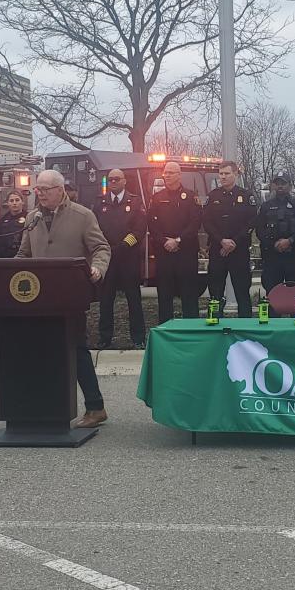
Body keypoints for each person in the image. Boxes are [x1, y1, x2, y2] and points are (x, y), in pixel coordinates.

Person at [18, 169, 112, 429]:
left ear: (60, 190)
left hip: (70, 296)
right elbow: (23, 254)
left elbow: (101, 247)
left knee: (77, 350)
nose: (41, 194)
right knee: (43, 352)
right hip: (37, 298)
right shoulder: (32, 218)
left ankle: (95, 407)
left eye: (46, 189)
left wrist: (98, 268)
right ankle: (46, 407)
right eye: (38, 189)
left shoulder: (82, 216)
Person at [95, 169, 146, 348]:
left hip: (128, 258)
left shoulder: (136, 201)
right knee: (106, 300)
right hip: (107, 258)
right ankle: (104, 337)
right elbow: (94, 229)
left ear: (125, 181)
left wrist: (123, 246)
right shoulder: (100, 203)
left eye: (117, 179)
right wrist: (106, 247)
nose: (113, 182)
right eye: (110, 179)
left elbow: (139, 230)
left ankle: (138, 337)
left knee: (134, 299)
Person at [148, 161, 202, 322]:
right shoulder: (157, 198)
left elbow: (195, 223)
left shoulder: (191, 197)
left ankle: (192, 329)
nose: (167, 175)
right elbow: (152, 224)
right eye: (165, 172)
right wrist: (165, 241)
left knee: (189, 294)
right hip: (164, 254)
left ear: (179, 175)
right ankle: (166, 329)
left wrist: (178, 240)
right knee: (164, 295)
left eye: (171, 172)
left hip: (186, 253)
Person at [204, 160, 257, 318]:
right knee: (215, 292)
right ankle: (215, 324)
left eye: (227, 173)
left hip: (239, 250)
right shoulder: (213, 196)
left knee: (242, 291)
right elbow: (206, 222)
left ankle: (245, 327)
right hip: (218, 250)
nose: (223, 177)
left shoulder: (246, 196)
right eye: (221, 174)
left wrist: (234, 241)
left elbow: (252, 221)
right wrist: (221, 241)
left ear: (236, 174)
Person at [256, 172, 295, 293]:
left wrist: (290, 241)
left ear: (290, 186)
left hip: (294, 256)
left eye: (283, 183)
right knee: (273, 292)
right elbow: (259, 230)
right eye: (277, 183)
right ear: (273, 186)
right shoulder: (265, 206)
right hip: (272, 256)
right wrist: (274, 245)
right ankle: (274, 312)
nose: (280, 186)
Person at [0, 190, 29, 257]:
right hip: (5, 259)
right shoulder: (2, 222)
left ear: (22, 202)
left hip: (24, 258)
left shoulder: (29, 218)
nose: (14, 203)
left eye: (17, 200)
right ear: (7, 203)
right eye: (11, 201)